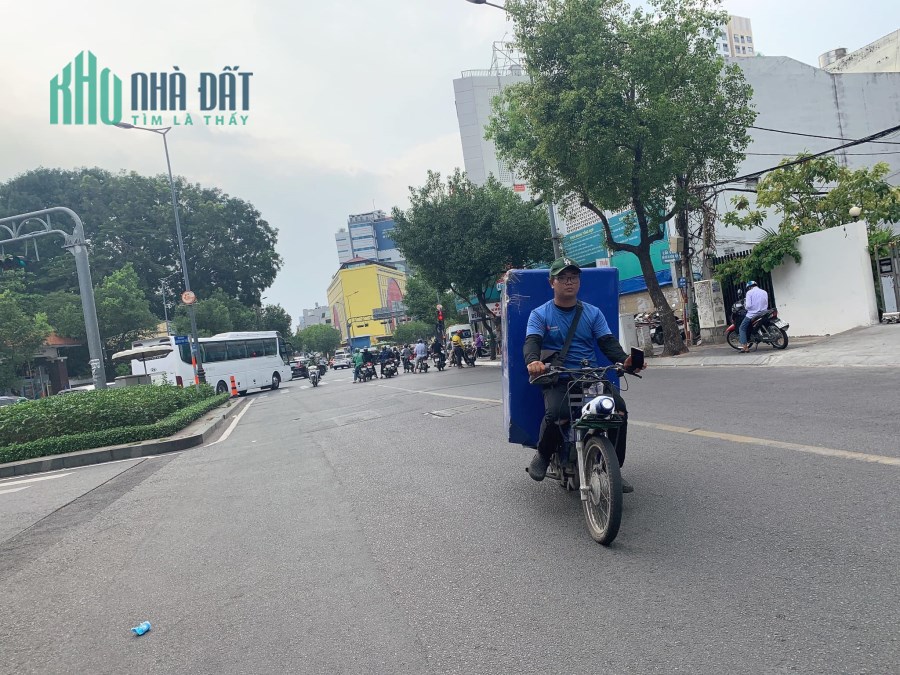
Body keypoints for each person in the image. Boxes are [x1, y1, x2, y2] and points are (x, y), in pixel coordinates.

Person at [524, 257, 646, 492]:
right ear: (552, 283)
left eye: (573, 277)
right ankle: (543, 455)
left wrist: (625, 361)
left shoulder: (593, 313)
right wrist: (533, 362)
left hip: (590, 377)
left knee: (618, 411)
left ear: (579, 281)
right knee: (558, 414)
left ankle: (614, 469)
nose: (569, 282)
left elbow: (608, 343)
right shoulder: (540, 314)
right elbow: (532, 342)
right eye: (562, 278)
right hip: (559, 377)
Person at [740, 280, 769, 353]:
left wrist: (746, 307)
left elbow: (748, 305)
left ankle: (745, 347)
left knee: (742, 328)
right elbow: (766, 303)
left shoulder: (749, 293)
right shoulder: (764, 292)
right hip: (764, 313)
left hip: (752, 314)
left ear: (749, 287)